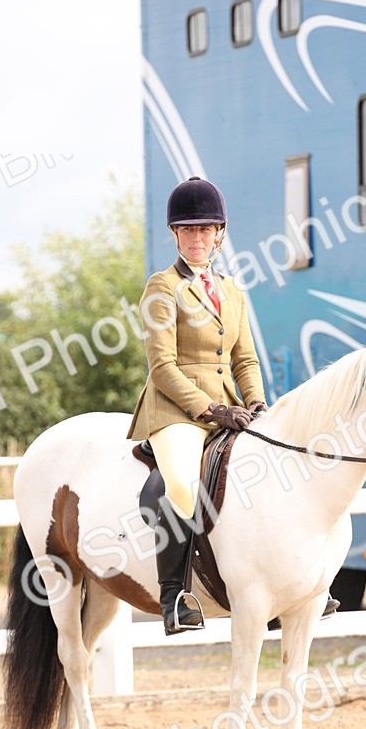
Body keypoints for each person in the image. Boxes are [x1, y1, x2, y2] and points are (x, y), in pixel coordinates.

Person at [127, 176, 268, 636]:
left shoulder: (232, 291)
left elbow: (244, 359)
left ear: (220, 234)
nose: (196, 239)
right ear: (175, 234)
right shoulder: (162, 287)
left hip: (230, 405)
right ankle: (175, 598)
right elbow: (162, 367)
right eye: (187, 230)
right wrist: (211, 409)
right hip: (176, 410)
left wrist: (257, 402)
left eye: (205, 230)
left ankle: (289, 584)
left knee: (278, 468)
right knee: (184, 487)